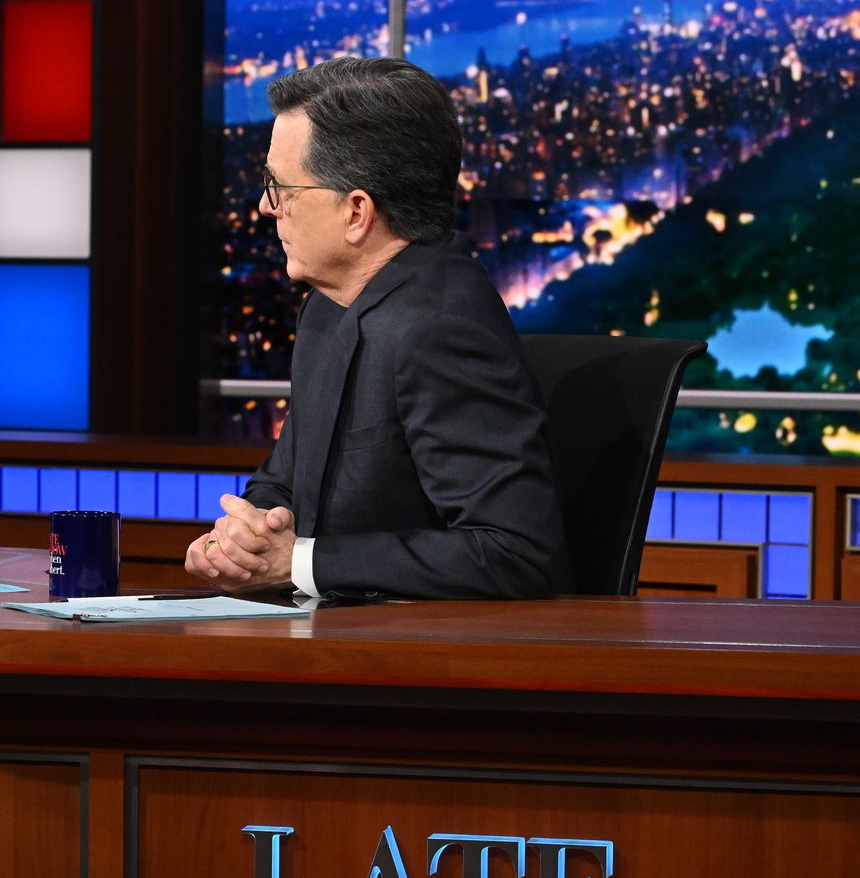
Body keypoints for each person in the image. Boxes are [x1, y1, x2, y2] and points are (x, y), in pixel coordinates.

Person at [185, 57, 572, 600]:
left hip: (416, 664)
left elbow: (515, 553)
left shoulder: (440, 327)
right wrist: (242, 540)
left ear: (357, 212)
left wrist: (296, 561)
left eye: (280, 187)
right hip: (321, 640)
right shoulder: (327, 307)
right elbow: (287, 479)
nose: (265, 207)